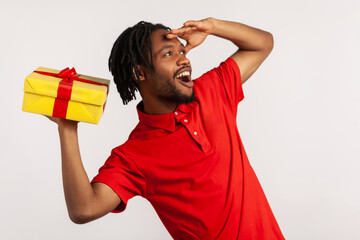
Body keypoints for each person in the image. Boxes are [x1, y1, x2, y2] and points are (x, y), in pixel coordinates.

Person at [49, 17, 285, 239]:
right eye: (169, 53)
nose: (184, 59)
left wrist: (212, 26)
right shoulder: (133, 156)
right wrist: (67, 127)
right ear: (140, 72)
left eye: (182, 51)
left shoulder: (213, 90)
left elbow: (262, 44)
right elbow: (83, 209)